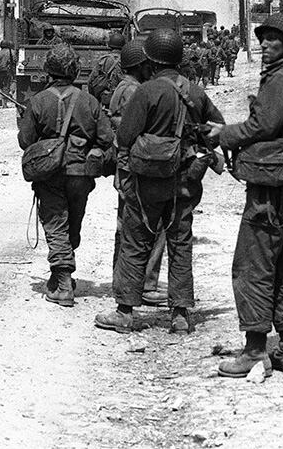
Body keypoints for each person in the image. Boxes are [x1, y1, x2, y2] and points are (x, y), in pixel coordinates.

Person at [95, 28, 224, 335]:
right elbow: (219, 127)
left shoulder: (147, 91)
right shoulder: (195, 92)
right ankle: (179, 314)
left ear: (149, 59)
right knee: (180, 243)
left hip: (147, 182)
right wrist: (194, 143)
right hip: (184, 180)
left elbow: (124, 138)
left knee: (135, 240)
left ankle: (125, 312)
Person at [213, 12, 283, 378]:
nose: (265, 44)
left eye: (274, 39)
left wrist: (224, 134)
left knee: (252, 265)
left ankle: (256, 350)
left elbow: (263, 125)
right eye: (263, 38)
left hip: (270, 189)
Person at [17, 43, 114, 307]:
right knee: (72, 224)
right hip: (81, 174)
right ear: (75, 70)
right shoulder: (90, 101)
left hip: (50, 174)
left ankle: (62, 284)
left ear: (49, 69)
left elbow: (26, 141)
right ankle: (61, 275)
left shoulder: (38, 101)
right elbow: (106, 139)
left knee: (55, 223)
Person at [108, 39, 166, 307]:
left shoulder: (124, 87)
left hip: (126, 164)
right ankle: (144, 283)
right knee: (150, 226)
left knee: (127, 225)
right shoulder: (134, 91)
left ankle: (123, 280)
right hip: (135, 164)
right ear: (140, 66)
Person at [88, 31, 126, 108]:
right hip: (122, 98)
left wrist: (95, 98)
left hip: (105, 98)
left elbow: (91, 80)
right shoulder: (126, 60)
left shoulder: (103, 60)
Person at [0, 39, 17, 107]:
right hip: (8, 70)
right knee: (6, 86)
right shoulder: (12, 52)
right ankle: (4, 103)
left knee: (0, 85)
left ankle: (0, 98)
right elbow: (15, 60)